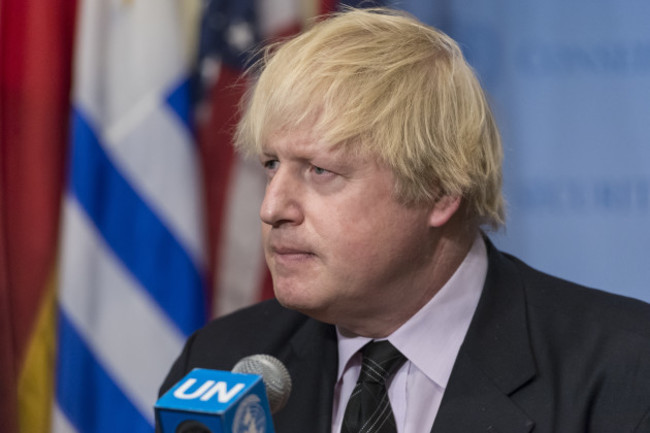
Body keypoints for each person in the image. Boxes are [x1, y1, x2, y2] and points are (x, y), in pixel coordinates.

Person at [159, 8, 650, 433]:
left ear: (439, 190)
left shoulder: (626, 371)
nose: (271, 208)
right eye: (271, 165)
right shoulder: (221, 360)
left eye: (319, 170)